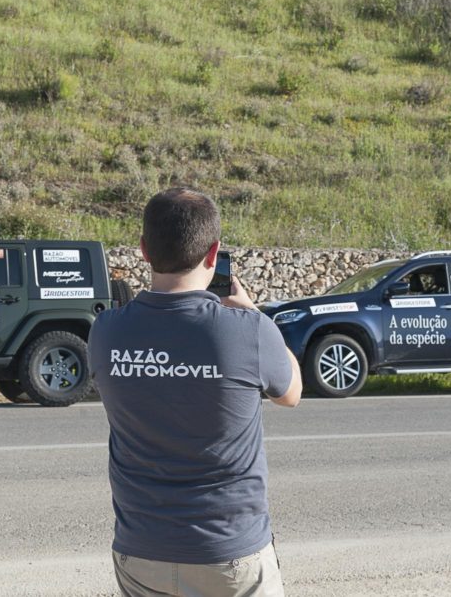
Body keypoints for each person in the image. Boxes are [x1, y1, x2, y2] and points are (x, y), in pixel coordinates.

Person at [89, 187, 302, 597]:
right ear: (214, 252)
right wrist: (255, 313)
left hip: (141, 551)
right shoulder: (249, 331)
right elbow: (290, 392)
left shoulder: (106, 331)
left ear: (144, 250)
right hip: (229, 553)